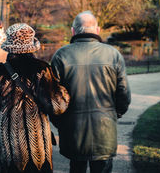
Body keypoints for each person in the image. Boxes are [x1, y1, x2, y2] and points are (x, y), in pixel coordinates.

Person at [0, 23, 70, 173]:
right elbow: (57, 106)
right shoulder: (42, 70)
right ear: (32, 45)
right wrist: (63, 91)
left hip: (9, 147)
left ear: (9, 46)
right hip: (38, 147)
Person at [50, 11, 131, 173]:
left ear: (73, 31)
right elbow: (124, 94)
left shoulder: (61, 55)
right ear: (98, 30)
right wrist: (115, 114)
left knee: (76, 167)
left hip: (73, 130)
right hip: (104, 127)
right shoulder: (113, 55)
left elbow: (53, 98)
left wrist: (61, 123)